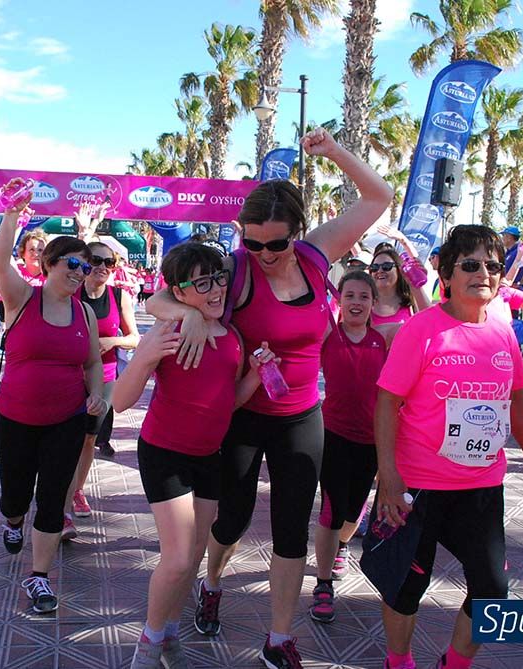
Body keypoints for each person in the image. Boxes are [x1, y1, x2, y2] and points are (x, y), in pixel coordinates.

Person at [147, 127, 392, 668]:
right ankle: (211, 582)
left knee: (290, 527)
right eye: (252, 241)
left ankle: (280, 637)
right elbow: (158, 298)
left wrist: (333, 153)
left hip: (301, 415)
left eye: (275, 243)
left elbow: (379, 196)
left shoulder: (316, 254)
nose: (262, 253)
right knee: (228, 523)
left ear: (296, 234)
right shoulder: (233, 268)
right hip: (240, 414)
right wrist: (187, 312)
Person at [370, 224, 523, 669]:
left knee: (492, 590)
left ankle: (454, 663)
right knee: (406, 585)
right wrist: (389, 477)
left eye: (492, 265)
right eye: (470, 264)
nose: (483, 273)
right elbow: (387, 402)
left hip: (481, 485)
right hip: (419, 485)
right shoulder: (421, 330)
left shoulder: (505, 333)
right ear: (446, 274)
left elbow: (517, 400)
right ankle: (399, 661)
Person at [116, 243, 270, 669]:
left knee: (195, 554)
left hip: (209, 456)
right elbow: (121, 402)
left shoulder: (233, 336)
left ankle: (167, 634)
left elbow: (227, 402)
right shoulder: (168, 331)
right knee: (180, 556)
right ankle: (148, 643)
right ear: (179, 293)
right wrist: (144, 356)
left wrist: (256, 377)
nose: (216, 288)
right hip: (165, 453)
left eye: (219, 277)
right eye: (201, 283)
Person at [0, 179, 107, 615]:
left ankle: (38, 577)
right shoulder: (22, 298)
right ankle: (14, 520)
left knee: (53, 497)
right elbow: (1, 264)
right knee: (15, 495)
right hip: (16, 417)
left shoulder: (84, 313)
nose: (79, 272)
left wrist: (96, 395)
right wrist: (12, 215)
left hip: (66, 419)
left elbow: (93, 362)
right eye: (72, 264)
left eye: (86, 266)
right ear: (50, 264)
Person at [309, 271, 388, 626]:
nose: (356, 302)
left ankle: (341, 544)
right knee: (331, 507)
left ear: (374, 303)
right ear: (339, 300)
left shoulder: (385, 338)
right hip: (333, 434)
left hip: (372, 439)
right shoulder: (330, 333)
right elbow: (308, 298)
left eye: (364, 297)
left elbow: (425, 314)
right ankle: (323, 584)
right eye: (350, 296)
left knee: (353, 513)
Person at [62, 241, 140, 537]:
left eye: (110, 262)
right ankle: (62, 508)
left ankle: (76, 490)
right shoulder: (71, 293)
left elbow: (134, 338)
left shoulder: (119, 297)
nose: (103, 268)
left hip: (104, 378)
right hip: (70, 374)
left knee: (88, 440)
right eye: (96, 260)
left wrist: (112, 342)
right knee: (66, 438)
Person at [368, 246, 428, 327]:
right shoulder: (364, 304)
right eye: (374, 267)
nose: (380, 271)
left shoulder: (412, 304)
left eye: (386, 266)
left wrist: (415, 285)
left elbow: (432, 321)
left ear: (399, 270)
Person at [500, 225, 523, 290]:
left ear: (509, 237)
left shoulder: (520, 249)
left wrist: (520, 282)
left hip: (516, 290)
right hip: (507, 288)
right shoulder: (507, 253)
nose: (502, 238)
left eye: (503, 236)